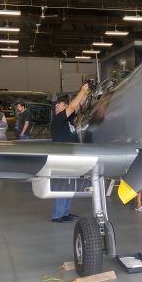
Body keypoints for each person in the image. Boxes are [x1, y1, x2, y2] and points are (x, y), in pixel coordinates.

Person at [50, 83, 89, 223]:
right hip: (62, 158)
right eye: (56, 106)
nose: (56, 107)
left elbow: (77, 105)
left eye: (59, 105)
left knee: (69, 184)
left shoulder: (69, 121)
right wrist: (82, 89)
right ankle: (57, 215)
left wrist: (86, 92)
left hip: (71, 157)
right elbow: (73, 106)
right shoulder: (58, 119)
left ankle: (64, 212)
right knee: (62, 184)